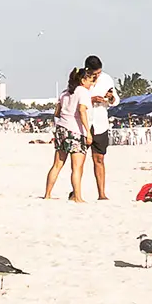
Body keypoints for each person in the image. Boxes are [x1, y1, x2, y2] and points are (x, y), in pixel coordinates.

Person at [42, 68, 90, 202]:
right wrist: (88, 132)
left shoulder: (64, 93)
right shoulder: (83, 92)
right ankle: (78, 197)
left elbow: (56, 112)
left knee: (57, 164)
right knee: (77, 167)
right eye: (90, 80)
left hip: (61, 129)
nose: (91, 83)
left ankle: (47, 194)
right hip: (75, 130)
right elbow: (82, 110)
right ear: (83, 80)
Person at [78, 56, 119, 201]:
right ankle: (76, 193)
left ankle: (101, 193)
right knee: (78, 161)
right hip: (83, 124)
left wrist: (111, 97)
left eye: (99, 73)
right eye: (95, 74)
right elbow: (74, 98)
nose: (97, 76)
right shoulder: (79, 79)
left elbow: (115, 100)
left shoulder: (107, 79)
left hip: (101, 123)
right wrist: (91, 99)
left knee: (99, 158)